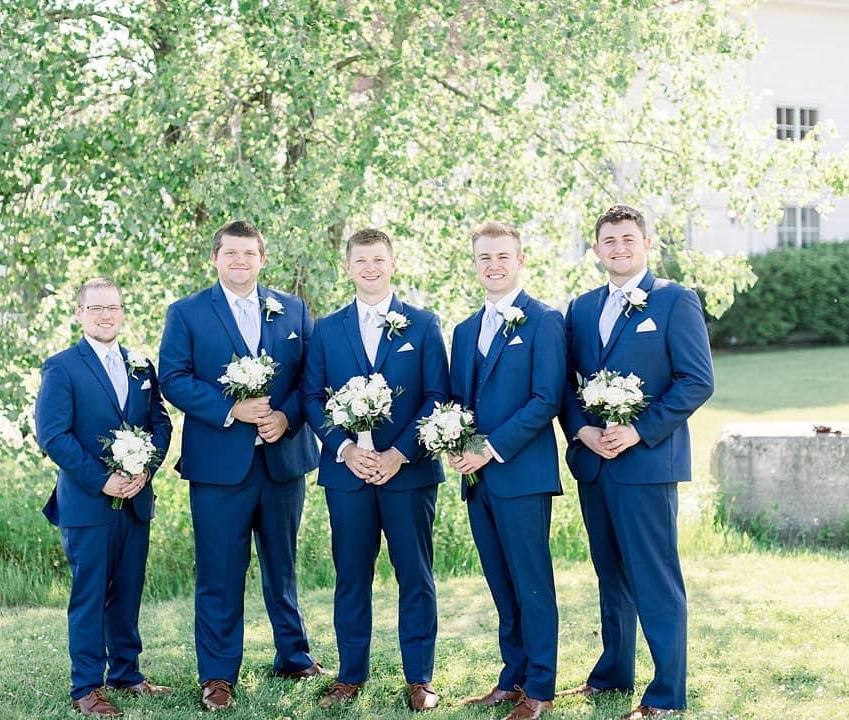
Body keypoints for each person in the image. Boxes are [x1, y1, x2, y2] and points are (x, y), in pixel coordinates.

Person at [158, 220, 323, 711]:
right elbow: (173, 378)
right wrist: (231, 409)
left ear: (262, 259)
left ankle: (294, 656)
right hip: (218, 467)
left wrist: (285, 417)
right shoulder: (187, 313)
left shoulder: (293, 309)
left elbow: (312, 377)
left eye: (249, 253)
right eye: (230, 253)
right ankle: (217, 675)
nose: (240, 261)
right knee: (219, 572)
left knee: (283, 566)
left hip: (282, 460)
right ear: (215, 258)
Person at [557, 205, 714, 720]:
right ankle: (611, 675)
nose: (619, 248)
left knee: (655, 578)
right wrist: (581, 430)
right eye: (609, 240)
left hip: (647, 464)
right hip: (595, 464)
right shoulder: (581, 308)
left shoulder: (674, 300)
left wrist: (638, 430)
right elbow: (566, 385)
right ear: (596, 250)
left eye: (628, 239)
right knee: (611, 575)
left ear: (646, 244)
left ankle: (666, 694)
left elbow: (697, 380)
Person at [302, 228, 449, 712]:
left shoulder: (422, 324)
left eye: (378, 259)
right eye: (361, 260)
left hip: (409, 474)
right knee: (350, 575)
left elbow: (436, 396)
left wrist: (398, 454)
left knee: (415, 575)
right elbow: (311, 398)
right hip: (347, 476)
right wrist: (344, 449)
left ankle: (420, 678)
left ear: (392, 263)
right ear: (348, 266)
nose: (370, 268)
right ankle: (350, 675)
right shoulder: (326, 329)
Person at [35, 277, 174, 717]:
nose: (105, 315)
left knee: (128, 592)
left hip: (135, 500)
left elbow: (161, 424)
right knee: (90, 597)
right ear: (79, 313)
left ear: (122, 312)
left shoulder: (141, 365)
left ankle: (127, 675)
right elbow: (53, 435)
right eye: (95, 308)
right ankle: (86, 688)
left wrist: (145, 469)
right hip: (88, 504)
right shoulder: (61, 367)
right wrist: (102, 480)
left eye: (113, 307)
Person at [448, 222, 566, 720]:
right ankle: (512, 677)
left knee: (532, 583)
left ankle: (540, 687)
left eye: (502, 256)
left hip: (522, 474)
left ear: (520, 260)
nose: (493, 265)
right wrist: (455, 444)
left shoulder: (545, 321)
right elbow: (458, 403)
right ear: (474, 263)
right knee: (500, 581)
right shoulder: (464, 331)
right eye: (484, 257)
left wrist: (489, 449)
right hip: (476, 480)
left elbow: (546, 399)